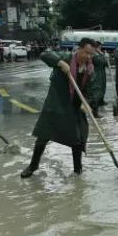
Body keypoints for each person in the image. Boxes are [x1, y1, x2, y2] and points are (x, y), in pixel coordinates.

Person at [20, 38, 98, 178]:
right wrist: (60, 63)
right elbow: (45, 54)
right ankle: (33, 165)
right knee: (43, 136)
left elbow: (92, 89)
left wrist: (87, 101)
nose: (88, 57)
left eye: (91, 54)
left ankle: (77, 170)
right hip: (56, 105)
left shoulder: (90, 68)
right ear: (78, 49)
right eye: (86, 53)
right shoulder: (66, 58)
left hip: (75, 107)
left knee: (77, 139)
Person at [89, 41, 108, 118]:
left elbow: (106, 63)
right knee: (95, 93)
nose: (100, 49)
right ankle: (94, 113)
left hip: (101, 74)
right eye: (99, 47)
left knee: (101, 90)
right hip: (96, 75)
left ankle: (97, 106)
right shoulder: (94, 55)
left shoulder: (97, 54)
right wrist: (103, 55)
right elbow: (101, 62)